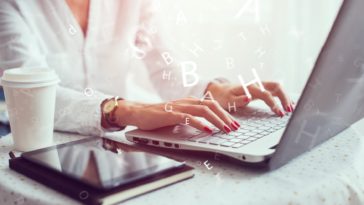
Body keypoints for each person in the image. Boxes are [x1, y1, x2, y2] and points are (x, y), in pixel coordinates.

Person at [0, 0, 294, 136]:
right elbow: (30, 96)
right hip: (37, 143)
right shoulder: (11, 5)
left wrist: (213, 90)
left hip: (120, 140)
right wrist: (125, 110)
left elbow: (163, 63)